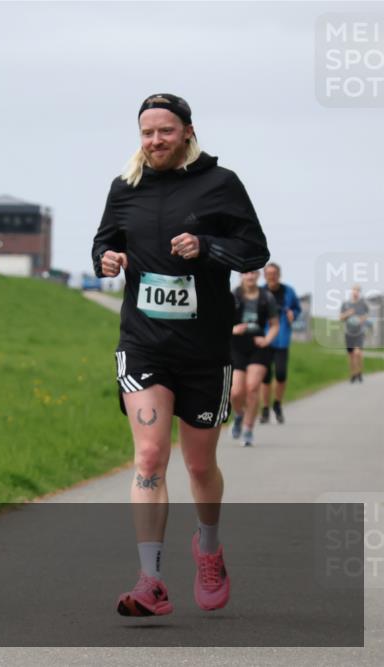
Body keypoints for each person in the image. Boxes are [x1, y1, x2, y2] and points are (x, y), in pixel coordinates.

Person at [92, 93, 269, 617]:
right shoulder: (125, 188)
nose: (154, 141)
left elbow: (254, 250)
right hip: (144, 344)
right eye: (146, 133)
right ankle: (150, 580)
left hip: (204, 350)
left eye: (164, 131)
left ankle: (208, 548)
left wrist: (208, 247)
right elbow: (103, 242)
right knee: (149, 456)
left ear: (188, 132)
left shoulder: (221, 184)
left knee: (199, 464)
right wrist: (107, 259)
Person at [229, 270, 279, 447]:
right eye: (245, 273)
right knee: (235, 392)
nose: (249, 276)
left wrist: (267, 339)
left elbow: (274, 324)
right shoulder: (233, 295)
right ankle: (239, 415)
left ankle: (249, 429)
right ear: (241, 276)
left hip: (258, 347)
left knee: (252, 388)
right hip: (236, 346)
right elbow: (219, 320)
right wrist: (232, 329)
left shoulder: (267, 297)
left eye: (253, 273)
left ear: (258, 275)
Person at [259, 263, 301, 423]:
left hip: (282, 339)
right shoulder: (260, 292)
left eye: (274, 273)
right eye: (269, 273)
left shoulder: (288, 291)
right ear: (265, 275)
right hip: (264, 339)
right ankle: (264, 409)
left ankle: (277, 404)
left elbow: (297, 309)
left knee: (281, 374)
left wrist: (293, 314)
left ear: (279, 274)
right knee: (265, 377)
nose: (272, 276)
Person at [340, 285, 369, 383]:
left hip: (359, 332)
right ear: (351, 291)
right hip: (349, 333)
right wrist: (348, 313)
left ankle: (359, 372)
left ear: (359, 292)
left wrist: (362, 319)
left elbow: (367, 314)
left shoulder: (362, 304)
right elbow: (341, 318)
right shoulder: (345, 304)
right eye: (354, 290)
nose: (355, 292)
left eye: (357, 290)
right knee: (351, 355)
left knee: (358, 353)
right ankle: (353, 374)